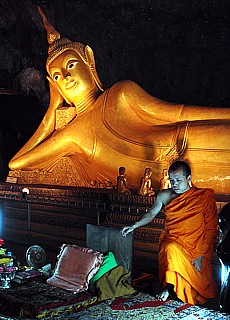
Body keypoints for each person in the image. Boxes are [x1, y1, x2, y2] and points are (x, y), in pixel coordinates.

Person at [8, 7, 230, 193]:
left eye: (72, 65)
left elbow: (178, 113)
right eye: (57, 77)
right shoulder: (73, 134)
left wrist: (226, 114)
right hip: (169, 178)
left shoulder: (120, 93)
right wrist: (52, 110)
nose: (66, 77)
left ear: (90, 62)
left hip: (187, 139)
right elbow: (17, 163)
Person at [122, 160, 218, 305]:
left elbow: (211, 229)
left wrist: (201, 255)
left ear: (189, 179)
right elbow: (151, 214)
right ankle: (170, 288)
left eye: (179, 180)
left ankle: (175, 292)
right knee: (170, 249)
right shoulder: (164, 195)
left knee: (192, 280)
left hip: (195, 247)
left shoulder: (203, 197)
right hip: (173, 240)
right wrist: (134, 225)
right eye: (172, 180)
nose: (175, 184)